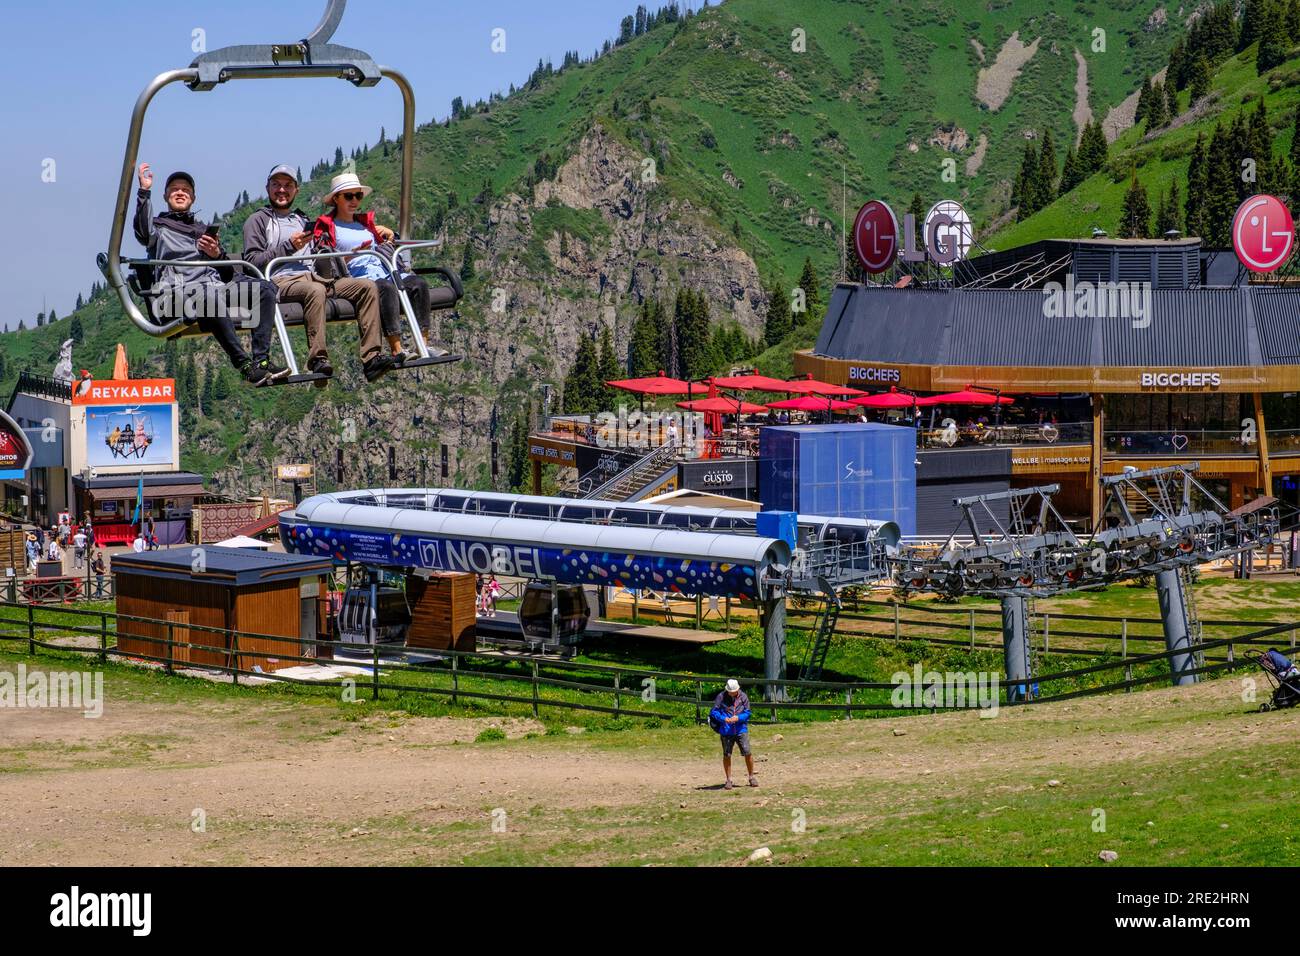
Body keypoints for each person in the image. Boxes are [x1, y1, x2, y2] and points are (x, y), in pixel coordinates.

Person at [134, 164, 288, 385]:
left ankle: (262, 362)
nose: (180, 193)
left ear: (193, 198)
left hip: (213, 287)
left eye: (185, 190)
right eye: (175, 189)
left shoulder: (203, 230)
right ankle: (244, 366)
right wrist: (143, 192)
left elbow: (227, 273)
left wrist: (216, 253)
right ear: (166, 196)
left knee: (265, 289)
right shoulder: (158, 228)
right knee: (209, 297)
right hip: (177, 294)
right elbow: (141, 231)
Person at [243, 165, 393, 383]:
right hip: (281, 280)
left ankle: (372, 358)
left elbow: (318, 256)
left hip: (315, 277)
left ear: (296, 190)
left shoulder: (302, 219)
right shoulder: (257, 220)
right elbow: (251, 262)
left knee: (367, 287)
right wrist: (288, 247)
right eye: (276, 185)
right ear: (268, 188)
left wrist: (340, 256)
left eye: (288, 186)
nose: (282, 190)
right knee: (315, 291)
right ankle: (318, 360)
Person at [315, 172, 432, 365]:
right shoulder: (329, 228)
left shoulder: (365, 225)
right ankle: (397, 348)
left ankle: (423, 344)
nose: (354, 201)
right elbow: (323, 261)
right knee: (385, 288)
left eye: (358, 196)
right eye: (349, 196)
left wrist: (391, 234)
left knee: (418, 284)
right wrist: (352, 254)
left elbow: (382, 244)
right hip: (359, 275)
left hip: (385, 268)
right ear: (336, 198)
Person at [710, 678, 757, 789]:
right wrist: (724, 719)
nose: (732, 693)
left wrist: (739, 718)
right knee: (727, 755)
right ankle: (728, 780)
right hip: (726, 731)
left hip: (741, 729)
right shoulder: (721, 696)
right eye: (731, 692)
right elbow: (714, 712)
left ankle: (751, 777)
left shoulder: (743, 697)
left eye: (734, 691)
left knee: (748, 752)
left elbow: (748, 712)